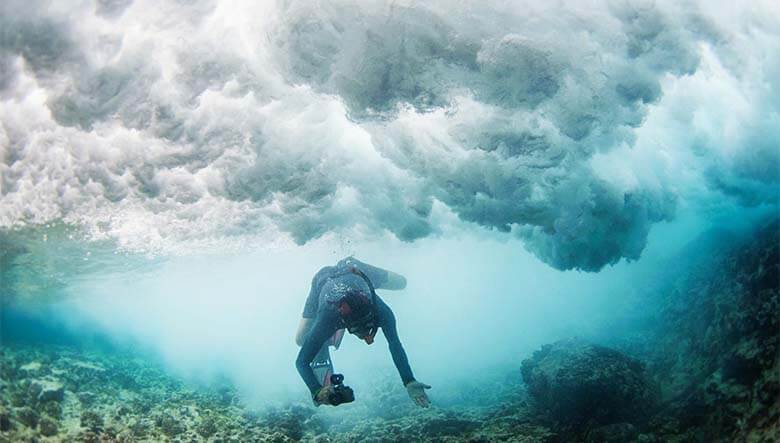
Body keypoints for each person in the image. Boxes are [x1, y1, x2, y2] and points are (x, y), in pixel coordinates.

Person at [295, 256, 431, 407]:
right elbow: (301, 362)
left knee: (402, 282)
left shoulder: (382, 312)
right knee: (301, 340)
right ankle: (325, 340)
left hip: (356, 268)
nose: (366, 336)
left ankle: (323, 337)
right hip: (323, 280)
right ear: (345, 323)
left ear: (373, 316)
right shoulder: (328, 317)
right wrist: (316, 391)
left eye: (368, 327)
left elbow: (394, 344)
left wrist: (409, 381)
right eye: (358, 329)